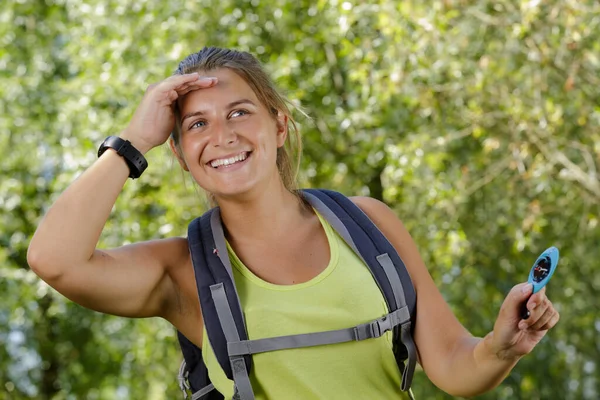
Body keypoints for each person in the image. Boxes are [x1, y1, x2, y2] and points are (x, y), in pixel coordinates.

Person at [27, 47, 559, 399]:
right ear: (182, 154)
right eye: (197, 124)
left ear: (279, 126)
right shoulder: (182, 271)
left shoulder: (366, 224)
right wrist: (131, 142)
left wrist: (500, 346)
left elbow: (453, 365)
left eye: (240, 112)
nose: (223, 135)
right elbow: (55, 260)